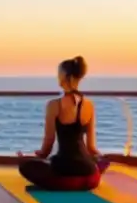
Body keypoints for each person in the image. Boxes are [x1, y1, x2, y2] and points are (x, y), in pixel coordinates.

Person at [16, 56, 108, 191]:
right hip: (91, 178)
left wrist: (29, 157)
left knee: (25, 166)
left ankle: (62, 183)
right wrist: (100, 160)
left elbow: (47, 147)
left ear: (64, 76)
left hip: (64, 173)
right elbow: (91, 148)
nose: (57, 76)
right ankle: (95, 170)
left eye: (58, 73)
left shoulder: (54, 105)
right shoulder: (89, 105)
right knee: (95, 162)